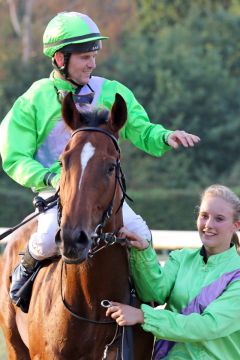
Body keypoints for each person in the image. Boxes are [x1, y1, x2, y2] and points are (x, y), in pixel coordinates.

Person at [0, 11, 200, 309]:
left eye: (93, 55)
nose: (92, 63)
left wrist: (164, 136)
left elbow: (140, 128)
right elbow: (14, 156)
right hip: (55, 188)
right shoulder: (33, 99)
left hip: (100, 191)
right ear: (59, 59)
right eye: (84, 57)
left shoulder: (112, 90)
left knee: (140, 232)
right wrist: (49, 178)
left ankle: (151, 300)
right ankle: (21, 278)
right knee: (45, 238)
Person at [106, 184, 240, 359]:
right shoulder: (182, 258)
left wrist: (143, 317)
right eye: (204, 216)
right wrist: (143, 252)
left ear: (236, 225)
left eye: (219, 219)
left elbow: (208, 326)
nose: (208, 224)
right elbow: (154, 293)